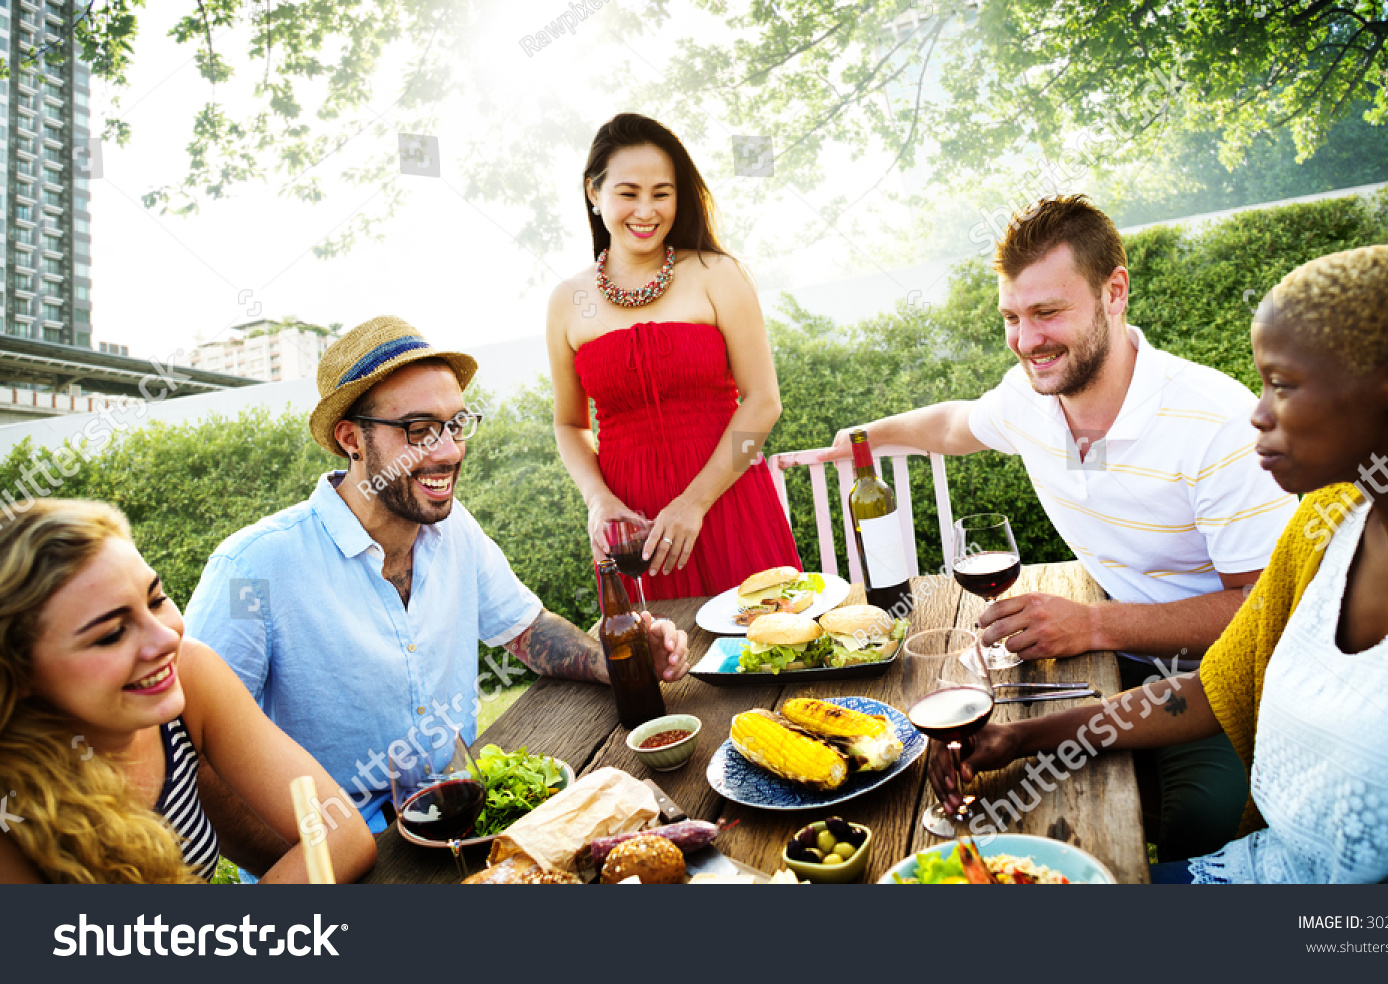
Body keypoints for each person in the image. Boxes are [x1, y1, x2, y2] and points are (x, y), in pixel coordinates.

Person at [936, 245, 1388, 883]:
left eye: (1281, 385)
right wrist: (1023, 739)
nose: (1256, 413)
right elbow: (1215, 691)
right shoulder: (1325, 531)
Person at [826, 195, 1298, 860]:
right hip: (1102, 669)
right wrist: (865, 436)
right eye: (1012, 318)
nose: (1026, 341)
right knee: (960, 796)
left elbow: (1263, 612)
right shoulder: (1029, 397)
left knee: (1198, 835)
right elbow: (957, 425)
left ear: (1115, 291)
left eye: (1047, 312)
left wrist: (1097, 625)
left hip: (1222, 684)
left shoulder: (1217, 425)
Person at [181, 316, 689, 872]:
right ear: (352, 439)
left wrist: (620, 660)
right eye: (419, 429)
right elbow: (197, 761)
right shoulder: (251, 569)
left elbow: (526, 628)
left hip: (463, 820)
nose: (447, 451)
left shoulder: (455, 530)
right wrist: (326, 869)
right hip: (347, 862)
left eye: (455, 424)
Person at [0, 499, 376, 883]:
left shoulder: (188, 671)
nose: (165, 638)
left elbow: (337, 831)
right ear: (18, 670)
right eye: (111, 634)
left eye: (156, 600)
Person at [547, 112, 801, 601]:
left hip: (730, 501)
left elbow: (764, 402)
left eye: (661, 193)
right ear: (593, 193)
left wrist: (694, 503)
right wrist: (597, 500)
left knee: (771, 651)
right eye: (628, 192)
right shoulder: (566, 301)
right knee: (660, 668)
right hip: (633, 531)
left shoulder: (717, 274)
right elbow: (569, 425)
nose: (646, 210)